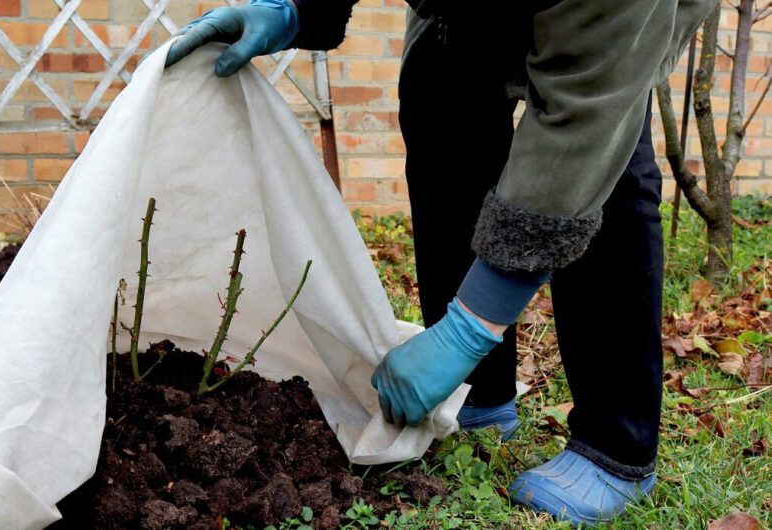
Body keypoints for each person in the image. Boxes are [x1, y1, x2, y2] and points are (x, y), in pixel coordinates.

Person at [162, 0, 717, 524]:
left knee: (605, 158)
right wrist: (300, 8)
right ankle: (479, 395)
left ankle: (616, 445)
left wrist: (467, 330)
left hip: (614, 23)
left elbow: (583, 118)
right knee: (440, 90)